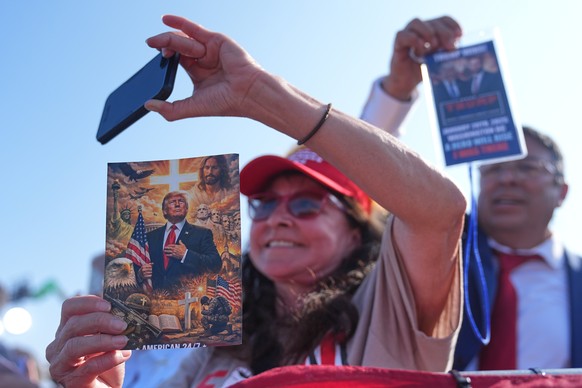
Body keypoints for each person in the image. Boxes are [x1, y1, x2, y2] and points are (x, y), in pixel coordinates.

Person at [45, 14, 466, 387]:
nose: (278, 218)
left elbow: (439, 211)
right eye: (264, 203)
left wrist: (258, 94)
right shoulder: (218, 345)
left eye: (306, 204)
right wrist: (88, 384)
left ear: (357, 230)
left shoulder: (391, 311)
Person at [359, 16, 582, 370]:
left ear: (562, 191)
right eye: (493, 168)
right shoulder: (436, 251)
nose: (506, 179)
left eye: (527, 168)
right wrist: (398, 89)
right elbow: (363, 183)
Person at [137, 190, 221, 292]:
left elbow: (215, 264)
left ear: (186, 209)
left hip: (187, 301)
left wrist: (186, 255)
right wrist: (141, 274)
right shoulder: (151, 236)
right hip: (156, 301)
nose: (177, 204)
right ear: (164, 211)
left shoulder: (202, 234)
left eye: (181, 201)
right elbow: (137, 264)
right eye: (172, 202)